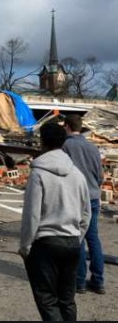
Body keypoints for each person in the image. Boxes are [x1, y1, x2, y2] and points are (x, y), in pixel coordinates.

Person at [19, 122, 91, 321]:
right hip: (72, 242)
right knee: (67, 299)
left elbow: (32, 215)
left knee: (48, 300)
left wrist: (25, 246)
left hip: (46, 243)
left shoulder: (38, 173)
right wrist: (77, 236)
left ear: (42, 142)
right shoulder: (77, 174)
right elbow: (87, 213)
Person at [63, 114, 105, 295]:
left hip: (75, 197)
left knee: (77, 239)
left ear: (66, 127)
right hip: (93, 196)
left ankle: (79, 282)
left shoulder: (65, 147)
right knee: (93, 238)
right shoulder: (92, 147)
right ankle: (98, 280)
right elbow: (101, 176)